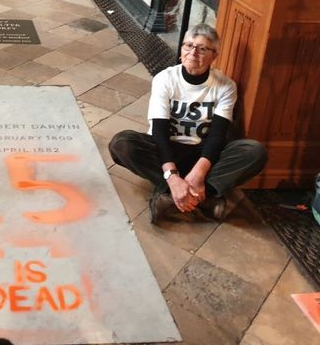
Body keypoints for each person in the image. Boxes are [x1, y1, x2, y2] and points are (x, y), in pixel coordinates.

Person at [108, 24, 267, 224]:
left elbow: (218, 135)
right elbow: (159, 132)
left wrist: (198, 173)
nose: (193, 53)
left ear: (214, 55)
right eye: (188, 46)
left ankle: (176, 197)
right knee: (122, 144)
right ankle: (193, 196)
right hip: (166, 152)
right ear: (181, 49)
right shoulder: (165, 79)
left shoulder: (226, 86)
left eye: (202, 48)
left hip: (203, 156)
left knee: (254, 151)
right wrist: (173, 177)